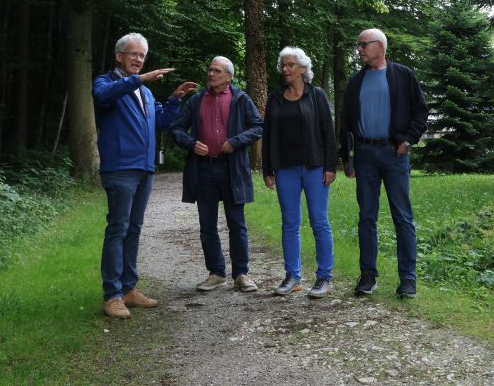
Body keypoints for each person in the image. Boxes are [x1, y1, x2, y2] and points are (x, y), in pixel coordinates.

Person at [94, 33, 197, 320]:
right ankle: (112, 295)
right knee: (118, 229)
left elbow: (162, 122)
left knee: (134, 229)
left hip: (145, 169)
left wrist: (175, 99)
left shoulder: (147, 93)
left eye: (142, 56)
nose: (138, 59)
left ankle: (128, 289)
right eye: (133, 54)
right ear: (119, 56)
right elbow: (103, 97)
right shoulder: (106, 83)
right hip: (120, 169)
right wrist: (141, 79)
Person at [338, 28, 427, 298]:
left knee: (403, 217)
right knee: (366, 217)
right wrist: (347, 157)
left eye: (364, 45)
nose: (360, 50)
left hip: (394, 154)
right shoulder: (355, 81)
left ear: (380, 46)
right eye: (359, 45)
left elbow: (420, 111)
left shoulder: (402, 75)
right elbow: (345, 121)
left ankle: (408, 279)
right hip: (364, 155)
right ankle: (368, 275)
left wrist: (408, 140)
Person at [170, 56, 263, 294]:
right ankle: (217, 273)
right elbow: (177, 128)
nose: (211, 74)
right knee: (207, 224)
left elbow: (258, 126)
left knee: (237, 223)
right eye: (210, 69)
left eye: (217, 70)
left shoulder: (241, 99)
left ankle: (241, 274)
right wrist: (191, 143)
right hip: (203, 168)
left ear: (229, 76)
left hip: (232, 168)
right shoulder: (197, 100)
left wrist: (236, 141)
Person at [262, 47, 337, 298]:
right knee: (290, 223)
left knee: (319, 221)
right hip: (285, 169)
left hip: (315, 168)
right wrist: (267, 168)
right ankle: (293, 276)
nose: (285, 69)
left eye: (290, 65)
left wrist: (330, 166)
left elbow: (329, 133)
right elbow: (268, 134)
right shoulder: (275, 98)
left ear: (303, 69)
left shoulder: (317, 96)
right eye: (283, 65)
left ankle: (324, 276)